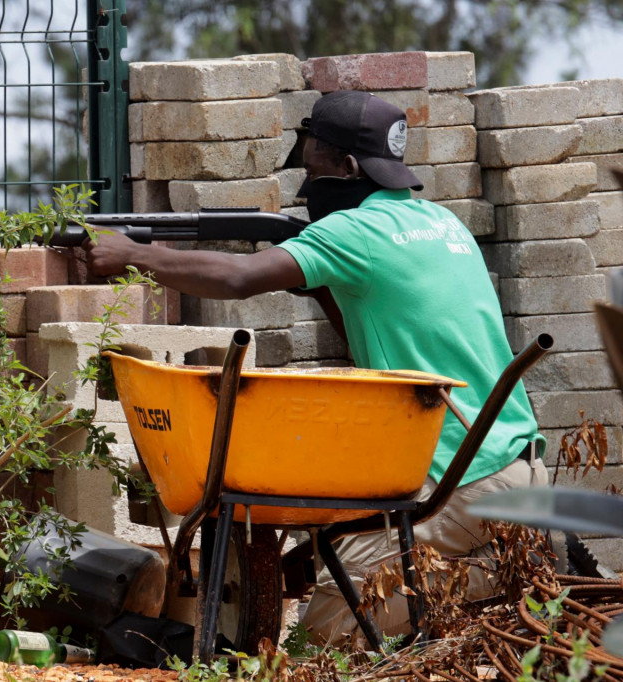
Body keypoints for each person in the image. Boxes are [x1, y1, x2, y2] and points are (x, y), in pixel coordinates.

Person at [82, 90, 548, 644]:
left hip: (457, 482)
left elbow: (235, 278)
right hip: (523, 470)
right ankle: (498, 585)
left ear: (349, 167)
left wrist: (135, 254)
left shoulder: (353, 233)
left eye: (314, 170)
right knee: (370, 566)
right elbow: (378, 317)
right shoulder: (445, 226)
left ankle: (477, 590)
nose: (307, 191)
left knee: (313, 651)